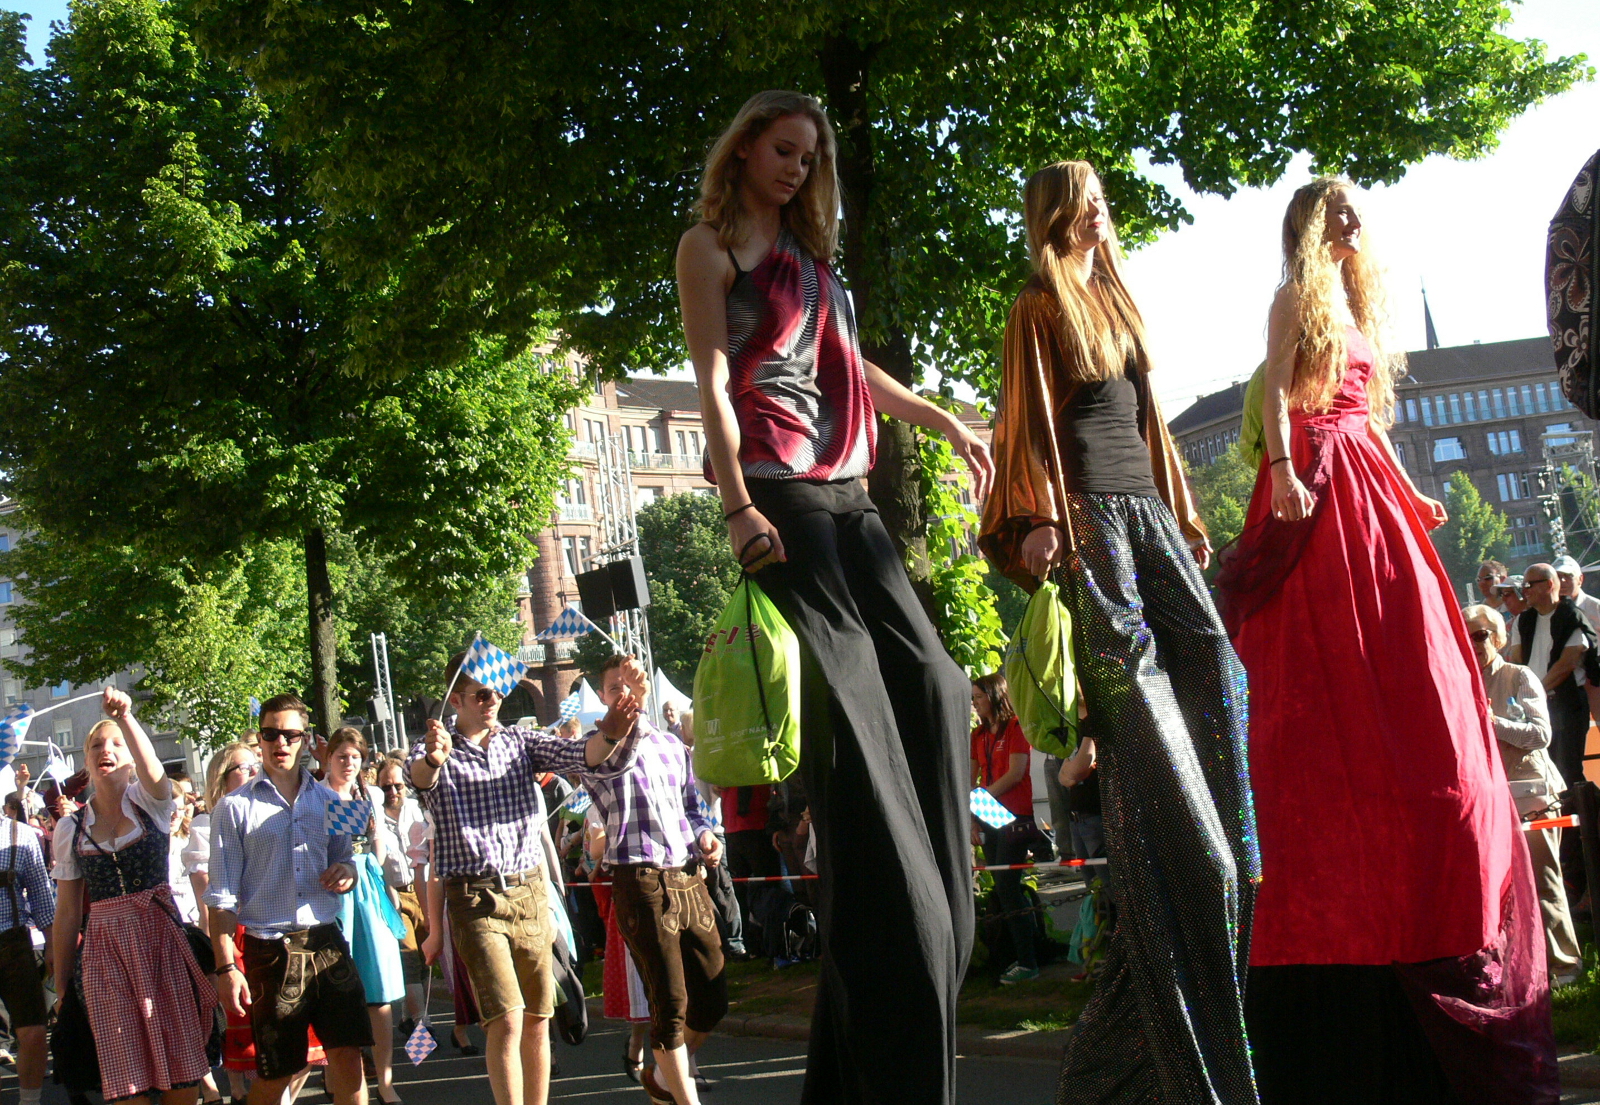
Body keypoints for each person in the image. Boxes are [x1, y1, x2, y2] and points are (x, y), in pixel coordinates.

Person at [676, 88, 991, 1105]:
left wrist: (941, 419)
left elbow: (853, 368)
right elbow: (712, 382)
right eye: (782, 149)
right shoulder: (711, 249)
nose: (796, 168)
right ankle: (903, 922)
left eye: (809, 157)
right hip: (779, 497)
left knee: (937, 682)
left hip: (851, 498)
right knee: (853, 709)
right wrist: (734, 504)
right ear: (743, 149)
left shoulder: (817, 265)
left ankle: (936, 910)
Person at [1217, 177, 1554, 1102]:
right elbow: (1281, 394)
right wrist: (1283, 472)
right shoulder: (1294, 299)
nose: (1353, 219)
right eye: (1337, 209)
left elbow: (1369, 420)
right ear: (1308, 225)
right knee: (1324, 658)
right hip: (1315, 479)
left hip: (1367, 481)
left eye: (1356, 207)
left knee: (1416, 667)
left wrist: (1411, 496)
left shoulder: (1357, 311)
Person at [978, 159, 1257, 1105]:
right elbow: (1024, 422)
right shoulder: (1036, 306)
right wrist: (1035, 518)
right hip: (1092, 520)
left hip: (1149, 517)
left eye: (1103, 200)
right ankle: (1197, 870)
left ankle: (1219, 855)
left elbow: (1151, 424)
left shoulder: (1119, 298)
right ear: (1055, 215)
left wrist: (1182, 517)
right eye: (1082, 201)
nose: (1099, 212)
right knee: (1193, 845)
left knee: (1219, 665)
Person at [406, 650, 644, 1105]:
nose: (492, 700)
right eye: (481, 694)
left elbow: (584, 755)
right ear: (456, 700)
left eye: (497, 692)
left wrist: (613, 728)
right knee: (507, 1017)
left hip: (529, 890)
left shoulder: (521, 741)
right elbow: (419, 778)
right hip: (475, 898)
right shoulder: (435, 747)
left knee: (538, 1016)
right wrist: (434, 759)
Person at [51, 688, 220, 1105]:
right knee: (126, 1080)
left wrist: (126, 717)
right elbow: (67, 913)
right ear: (86, 762)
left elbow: (155, 773)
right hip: (105, 954)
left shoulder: (153, 804)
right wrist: (62, 985)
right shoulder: (71, 828)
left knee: (181, 1078)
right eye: (96, 745)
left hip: (162, 943)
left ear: (131, 761)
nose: (105, 750)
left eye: (116, 744)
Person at [205, 694, 372, 1105]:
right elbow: (221, 898)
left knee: (348, 1055)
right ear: (260, 739)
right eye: (270, 734)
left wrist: (346, 873)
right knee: (277, 1071)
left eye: (291, 735)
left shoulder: (331, 801)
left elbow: (347, 862)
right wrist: (226, 968)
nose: (280, 742)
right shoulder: (233, 807)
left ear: (305, 740)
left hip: (325, 939)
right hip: (269, 948)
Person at [575, 656, 725, 1105]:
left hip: (685, 874)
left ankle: (663, 1076)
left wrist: (705, 835)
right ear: (603, 697)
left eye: (631, 684)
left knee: (713, 993)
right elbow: (613, 761)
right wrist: (631, 715)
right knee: (669, 1002)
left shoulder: (672, 745)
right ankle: (682, 1094)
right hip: (638, 880)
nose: (624, 692)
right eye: (614, 687)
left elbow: (692, 806)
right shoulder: (596, 746)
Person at [1465, 604, 1582, 985]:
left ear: (1498, 638)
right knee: (1502, 888)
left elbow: (1541, 735)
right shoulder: (1459, 683)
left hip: (1532, 797)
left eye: (1480, 634)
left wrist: (1493, 722)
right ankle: (1522, 968)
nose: (1473, 642)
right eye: (1465, 635)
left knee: (1544, 882)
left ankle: (1565, 966)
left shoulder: (1519, 676)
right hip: (1488, 801)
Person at [322, 728, 407, 1105]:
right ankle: (336, 1075)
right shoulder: (318, 794)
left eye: (355, 757)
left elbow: (379, 848)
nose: (349, 763)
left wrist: (386, 885)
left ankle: (385, 1080)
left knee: (380, 989)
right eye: (342, 756)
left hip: (368, 887)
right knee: (336, 991)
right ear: (329, 757)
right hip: (333, 890)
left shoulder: (370, 794)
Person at [969, 673, 1046, 985]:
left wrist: (980, 798)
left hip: (1014, 813)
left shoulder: (1015, 726)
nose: (974, 703)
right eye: (973, 697)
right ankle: (1019, 955)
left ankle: (1029, 961)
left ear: (994, 696)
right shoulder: (977, 734)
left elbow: (1016, 773)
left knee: (1006, 884)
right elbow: (969, 779)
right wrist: (972, 818)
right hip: (988, 811)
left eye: (978, 696)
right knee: (1003, 887)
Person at [1512, 562, 1593, 789]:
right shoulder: (1523, 621)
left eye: (1529, 585)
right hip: (1534, 706)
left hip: (1567, 704)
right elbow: (1517, 661)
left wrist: (1534, 692)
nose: (1524, 590)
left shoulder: (1572, 617)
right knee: (1541, 769)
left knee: (1568, 770)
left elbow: (1566, 664)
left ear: (1548, 585)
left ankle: (1582, 811)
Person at [0, 793, 54, 1105]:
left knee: (33, 1032)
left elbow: (41, 894)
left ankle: (29, 1101)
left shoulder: (20, 834)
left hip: (13, 945)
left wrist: (53, 945)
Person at [375, 759, 432, 1035]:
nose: (393, 792)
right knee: (407, 958)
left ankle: (407, 1018)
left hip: (424, 891)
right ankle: (423, 1026)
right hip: (393, 894)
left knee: (424, 958)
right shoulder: (374, 816)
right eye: (386, 787)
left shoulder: (417, 810)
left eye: (398, 786)